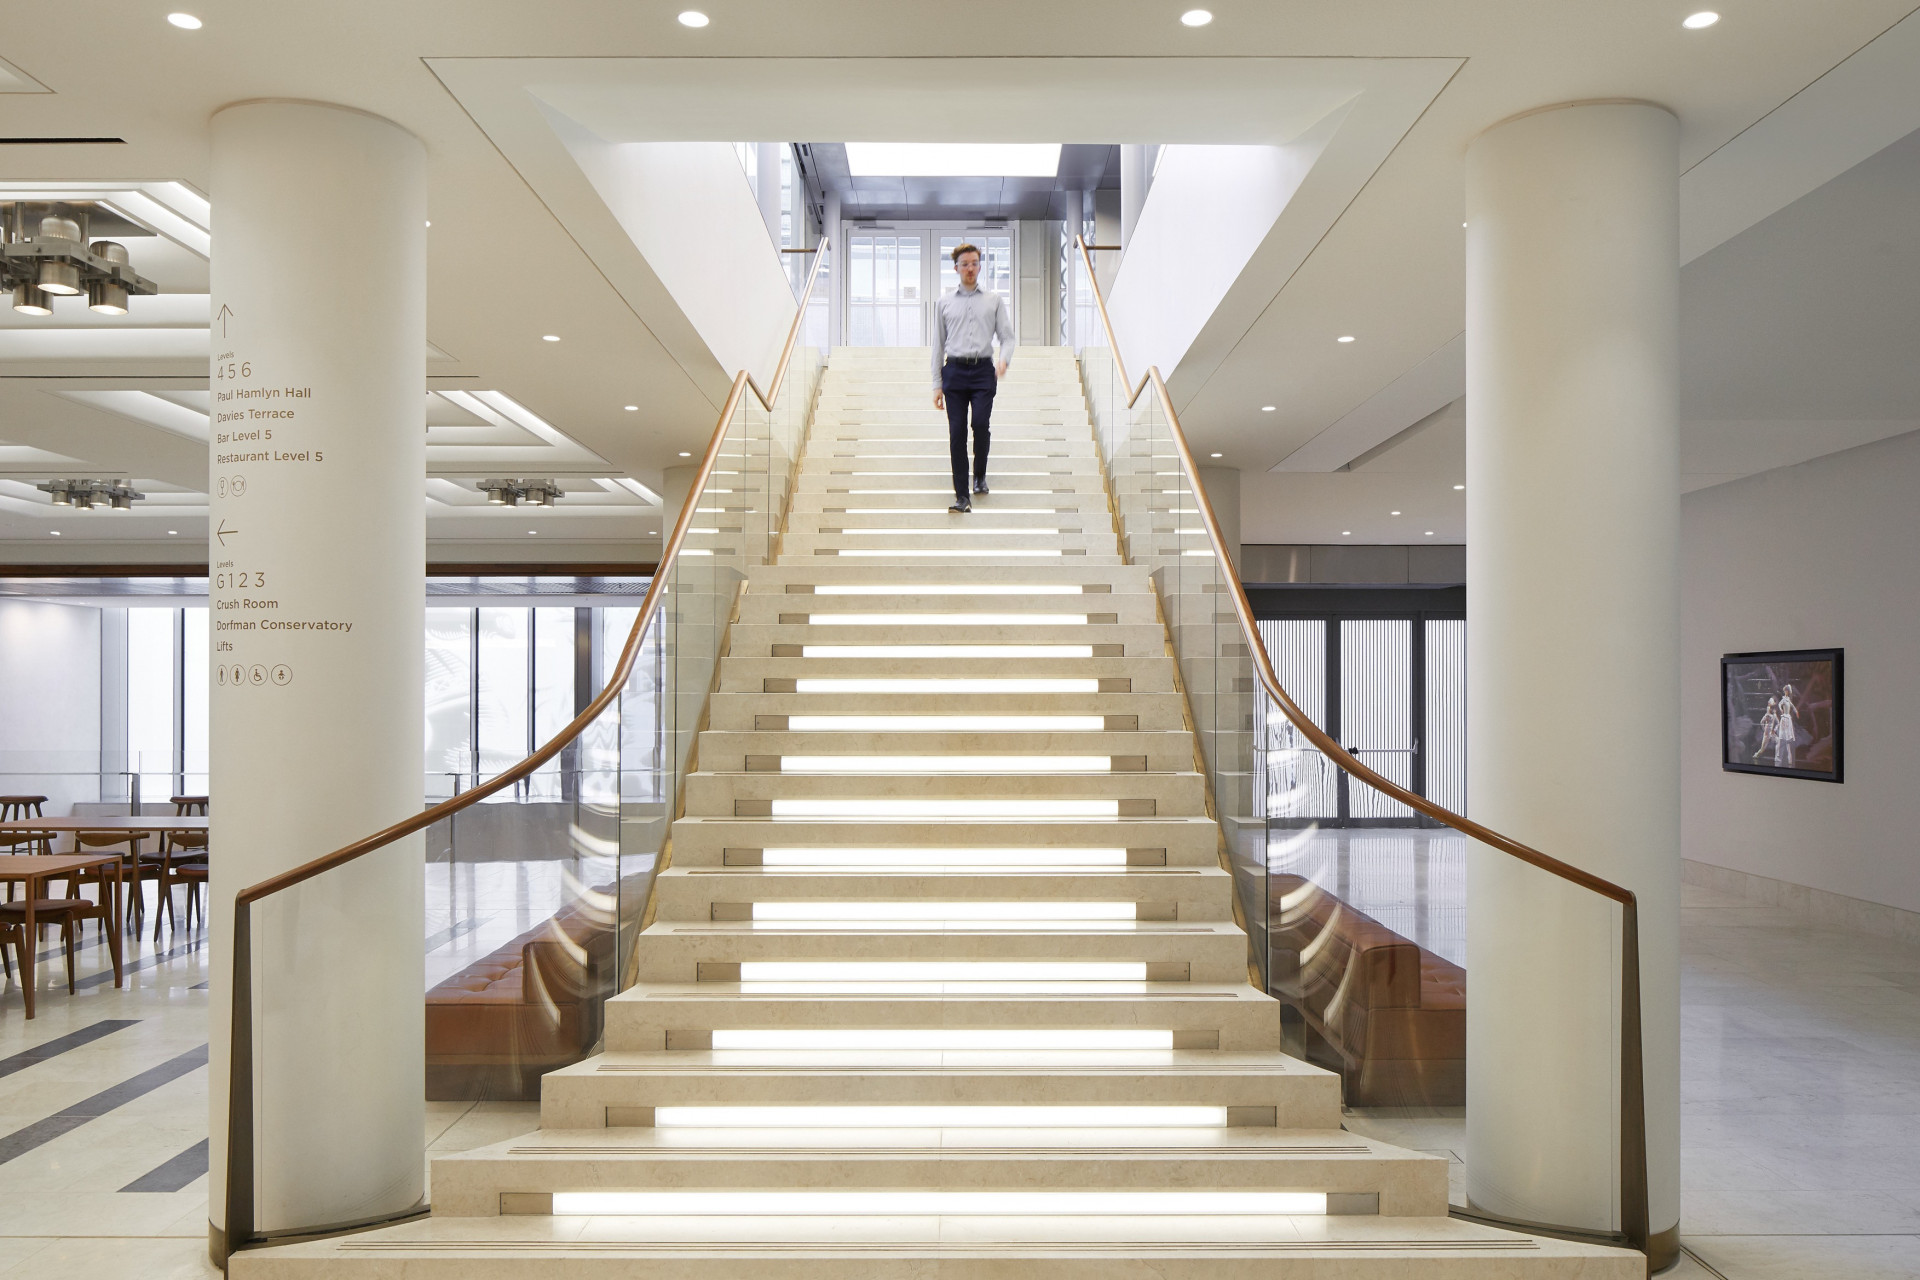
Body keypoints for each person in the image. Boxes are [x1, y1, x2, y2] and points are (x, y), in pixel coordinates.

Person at [931, 242, 1014, 513]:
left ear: (980, 266)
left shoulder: (993, 300)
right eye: (965, 264)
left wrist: (1004, 360)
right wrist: (936, 384)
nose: (970, 268)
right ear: (956, 268)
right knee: (957, 432)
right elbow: (937, 345)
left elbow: (1007, 337)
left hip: (982, 372)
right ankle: (962, 497)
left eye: (974, 263)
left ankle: (979, 475)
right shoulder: (944, 303)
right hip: (954, 372)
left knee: (980, 424)